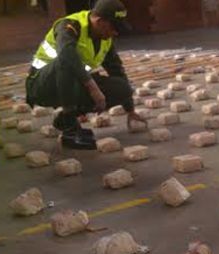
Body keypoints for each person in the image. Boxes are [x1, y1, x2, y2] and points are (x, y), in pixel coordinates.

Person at [25, 0, 145, 150]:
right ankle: (70, 131)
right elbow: (66, 55)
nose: (116, 32)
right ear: (100, 21)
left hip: (70, 85)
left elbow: (116, 70)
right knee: (67, 58)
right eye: (113, 27)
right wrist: (93, 88)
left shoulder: (105, 39)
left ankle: (64, 119)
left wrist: (130, 110)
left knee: (122, 88)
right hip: (41, 86)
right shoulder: (69, 26)